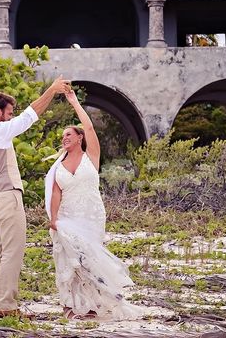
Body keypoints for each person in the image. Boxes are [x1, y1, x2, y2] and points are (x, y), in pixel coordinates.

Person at [0, 76, 70, 318]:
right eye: (9, 112)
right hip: (8, 197)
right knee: (12, 253)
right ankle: (7, 305)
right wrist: (52, 90)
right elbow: (30, 115)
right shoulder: (0, 132)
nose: (12, 116)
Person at [45, 89, 142, 320]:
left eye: (69, 134)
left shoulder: (92, 157)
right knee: (69, 262)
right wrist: (54, 220)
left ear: (80, 138)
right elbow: (55, 195)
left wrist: (73, 101)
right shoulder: (58, 166)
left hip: (91, 215)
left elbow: (88, 126)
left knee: (89, 260)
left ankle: (92, 304)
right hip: (67, 217)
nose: (64, 138)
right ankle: (69, 305)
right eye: (62, 136)